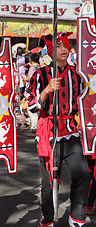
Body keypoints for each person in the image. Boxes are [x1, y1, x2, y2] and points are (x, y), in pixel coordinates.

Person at [26, 32, 90, 227]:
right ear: (51, 51)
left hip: (71, 132)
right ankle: (47, 219)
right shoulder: (41, 74)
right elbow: (30, 105)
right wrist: (46, 91)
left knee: (82, 174)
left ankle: (76, 217)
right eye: (60, 46)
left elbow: (85, 101)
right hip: (49, 134)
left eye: (66, 46)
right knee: (48, 184)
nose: (65, 49)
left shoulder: (77, 74)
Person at [24, 53, 40, 131]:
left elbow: (32, 79)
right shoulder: (40, 67)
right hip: (38, 90)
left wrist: (26, 78)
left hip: (32, 90)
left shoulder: (32, 68)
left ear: (31, 59)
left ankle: (35, 126)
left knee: (31, 109)